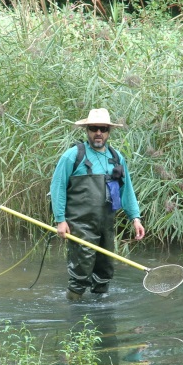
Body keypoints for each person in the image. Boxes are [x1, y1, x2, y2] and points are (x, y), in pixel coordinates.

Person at [50, 108, 145, 300]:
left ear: (109, 131)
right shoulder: (73, 156)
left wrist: (135, 218)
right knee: (81, 270)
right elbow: (57, 187)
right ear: (87, 130)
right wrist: (60, 219)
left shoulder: (117, 158)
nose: (98, 133)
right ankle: (74, 313)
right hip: (80, 224)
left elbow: (127, 190)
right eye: (94, 128)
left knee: (105, 270)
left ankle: (101, 316)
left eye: (103, 129)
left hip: (106, 224)